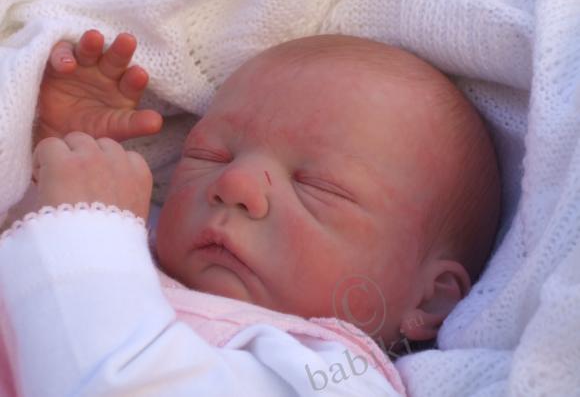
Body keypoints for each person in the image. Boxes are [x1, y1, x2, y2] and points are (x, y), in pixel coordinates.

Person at [0, 30, 500, 396]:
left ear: (431, 297)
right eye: (211, 155)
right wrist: (60, 164)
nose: (234, 183)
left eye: (317, 186)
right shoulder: (130, 240)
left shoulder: (333, 376)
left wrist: (84, 228)